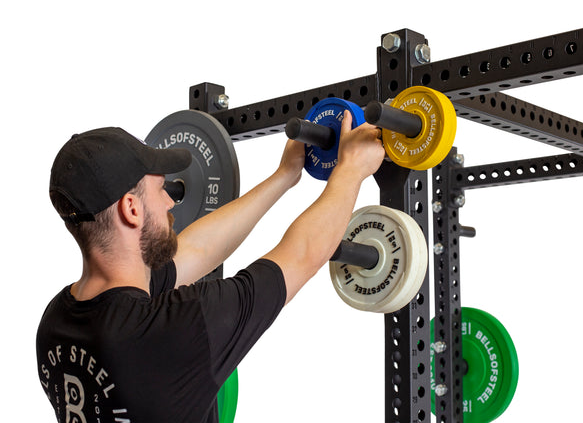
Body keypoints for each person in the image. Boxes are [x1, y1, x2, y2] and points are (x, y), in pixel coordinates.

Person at [36, 111, 385, 423]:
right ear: (132, 209)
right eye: (159, 189)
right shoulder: (176, 328)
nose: (171, 199)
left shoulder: (55, 324)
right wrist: (352, 170)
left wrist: (284, 176)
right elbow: (303, 254)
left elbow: (197, 250)